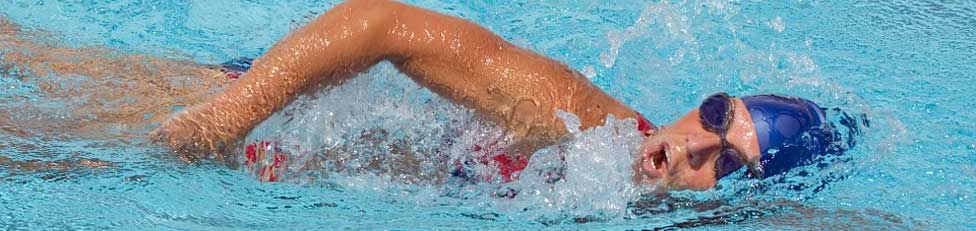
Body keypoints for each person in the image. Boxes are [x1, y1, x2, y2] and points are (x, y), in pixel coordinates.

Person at [150, 0, 846, 191]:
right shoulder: (577, 121)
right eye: (718, 116)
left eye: (726, 164)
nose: (694, 143)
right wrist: (223, 123)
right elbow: (380, 21)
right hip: (256, 109)